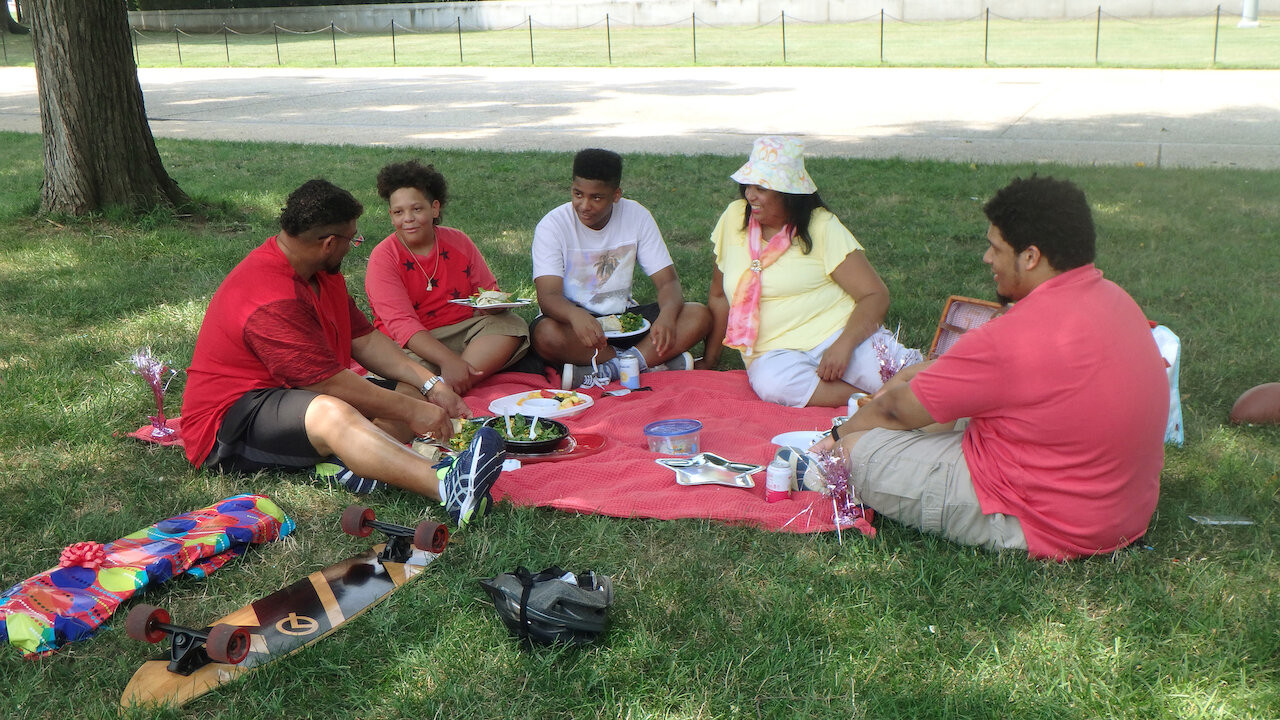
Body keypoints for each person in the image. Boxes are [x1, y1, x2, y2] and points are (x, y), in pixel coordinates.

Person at [814, 175, 1168, 560]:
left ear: (1030, 257)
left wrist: (835, 437)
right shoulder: (1118, 300)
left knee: (853, 452)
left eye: (995, 248)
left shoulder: (1014, 337)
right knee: (937, 416)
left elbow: (895, 409)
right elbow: (941, 379)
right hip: (1123, 511)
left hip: (1047, 522)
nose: (987, 258)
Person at [180, 179, 505, 529]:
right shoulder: (271, 296)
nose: (354, 247)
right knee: (332, 412)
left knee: (404, 390)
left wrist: (430, 386)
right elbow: (329, 386)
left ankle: (350, 462)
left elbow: (363, 339)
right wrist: (415, 412)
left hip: (292, 398)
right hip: (227, 425)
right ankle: (446, 487)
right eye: (352, 239)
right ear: (329, 243)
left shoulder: (320, 269)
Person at [699, 136, 919, 408]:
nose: (749, 195)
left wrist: (844, 346)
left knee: (908, 380)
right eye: (747, 186)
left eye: (761, 188)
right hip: (773, 352)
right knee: (772, 384)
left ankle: (885, 398)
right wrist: (710, 360)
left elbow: (875, 294)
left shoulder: (822, 226)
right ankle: (868, 403)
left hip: (837, 333)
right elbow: (719, 294)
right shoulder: (733, 217)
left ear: (789, 194)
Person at [531, 148, 711, 390]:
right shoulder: (552, 226)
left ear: (616, 195)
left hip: (625, 321)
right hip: (575, 325)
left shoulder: (637, 216)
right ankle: (650, 361)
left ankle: (608, 369)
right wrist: (575, 315)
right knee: (545, 335)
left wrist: (667, 317)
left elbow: (668, 283)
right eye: (578, 194)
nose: (584, 205)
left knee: (697, 314)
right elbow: (548, 296)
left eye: (596, 197)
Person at [365, 160, 530, 396]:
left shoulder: (458, 241)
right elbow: (403, 326)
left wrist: (495, 305)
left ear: (434, 208)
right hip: (409, 343)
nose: (408, 218)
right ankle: (449, 378)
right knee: (395, 364)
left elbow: (487, 292)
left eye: (417, 209)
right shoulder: (384, 256)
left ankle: (445, 383)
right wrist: (448, 360)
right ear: (391, 216)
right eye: (399, 212)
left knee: (512, 325)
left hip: (460, 332)